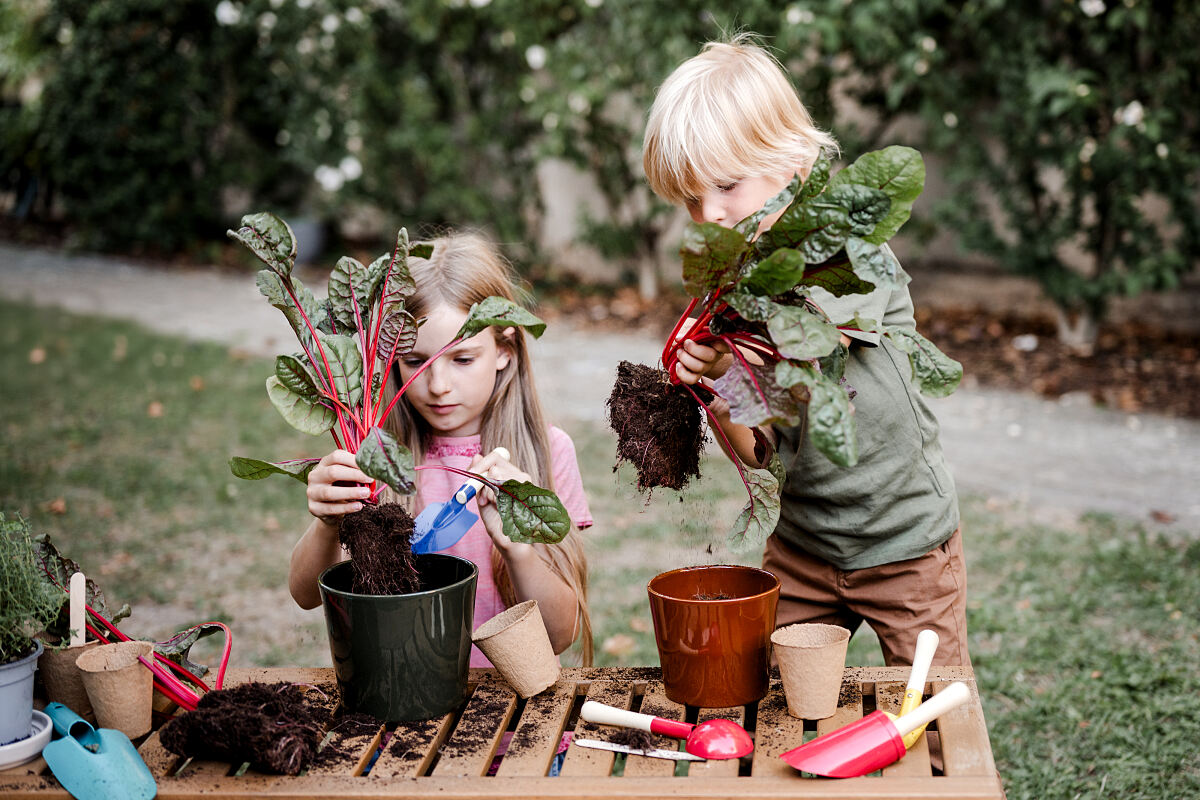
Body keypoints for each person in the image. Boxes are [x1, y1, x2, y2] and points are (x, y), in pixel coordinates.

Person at [642, 34, 970, 668]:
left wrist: (734, 355)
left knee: (933, 702)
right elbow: (760, 453)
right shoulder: (734, 290)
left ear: (793, 163)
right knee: (775, 699)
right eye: (691, 200)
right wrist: (718, 390)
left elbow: (817, 340)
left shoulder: (847, 248)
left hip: (905, 543)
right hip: (802, 549)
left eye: (727, 186)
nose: (710, 215)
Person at [287, 232, 594, 667]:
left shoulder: (547, 452)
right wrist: (326, 524)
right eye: (415, 362)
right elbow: (305, 594)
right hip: (398, 690)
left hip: (508, 698)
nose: (438, 385)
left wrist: (518, 548)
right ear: (390, 357)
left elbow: (561, 634)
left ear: (504, 350)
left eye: (462, 359)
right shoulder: (375, 457)